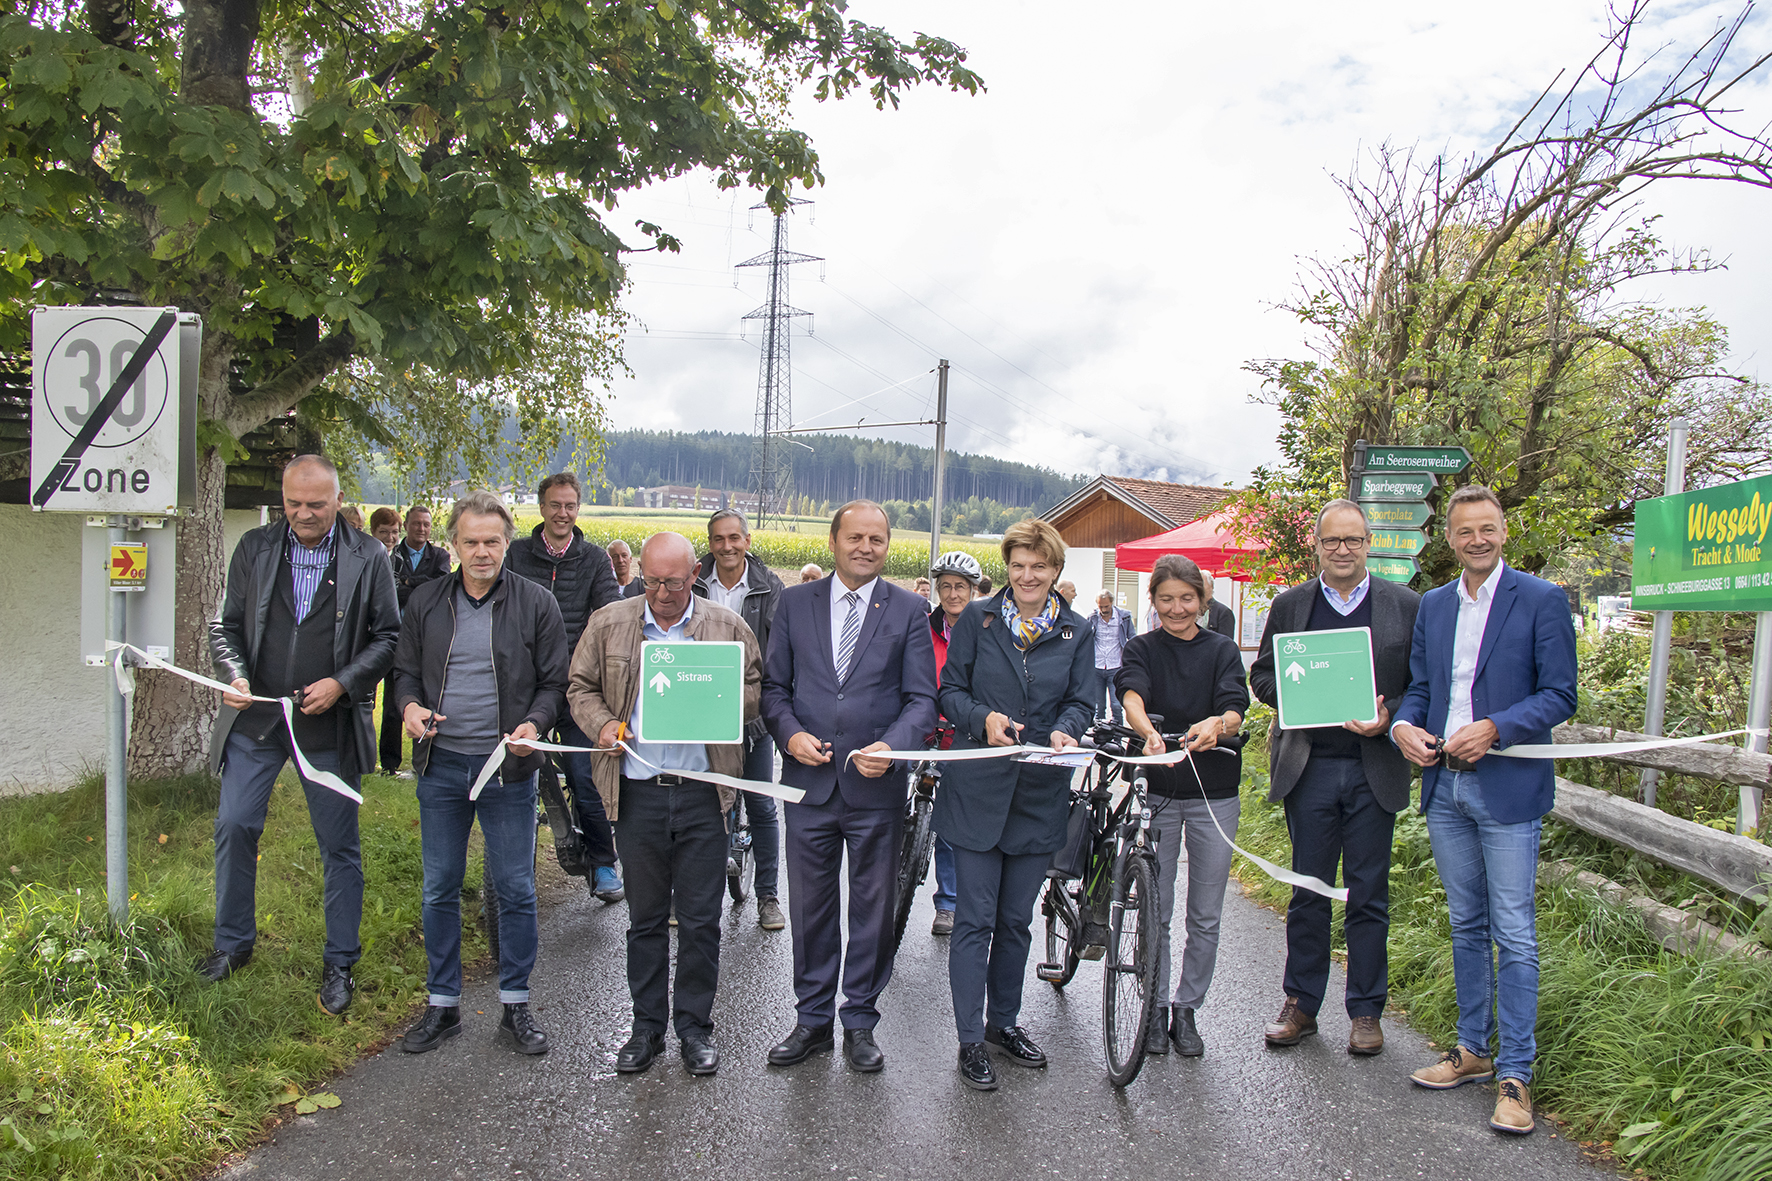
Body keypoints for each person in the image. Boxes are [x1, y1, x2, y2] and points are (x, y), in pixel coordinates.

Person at [1391, 485, 1577, 1136]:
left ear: (1504, 531)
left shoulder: (1543, 599)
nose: (1477, 538)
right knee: (1466, 923)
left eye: (1488, 528)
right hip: (1445, 787)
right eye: (1465, 529)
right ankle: (1472, 1049)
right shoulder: (1436, 606)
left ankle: (1516, 1074)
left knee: (1515, 932)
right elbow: (1421, 688)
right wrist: (1404, 729)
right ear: (1449, 537)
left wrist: (1497, 726)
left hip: (1507, 786)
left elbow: (1560, 694)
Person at [206, 455, 400, 1018]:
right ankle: (232, 944)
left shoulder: (370, 556)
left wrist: (343, 684)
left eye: (315, 504)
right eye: (293, 503)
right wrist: (233, 674)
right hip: (259, 716)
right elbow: (226, 625)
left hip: (328, 723)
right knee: (235, 824)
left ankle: (339, 961)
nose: (303, 514)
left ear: (339, 498)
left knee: (338, 844)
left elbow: (389, 636)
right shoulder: (256, 548)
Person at [568, 533, 764, 1076]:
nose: (660, 593)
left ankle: (695, 1030)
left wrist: (716, 692)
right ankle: (646, 1028)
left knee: (702, 921)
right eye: (651, 581)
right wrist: (603, 724)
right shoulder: (610, 622)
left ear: (694, 573)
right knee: (646, 919)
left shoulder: (726, 628)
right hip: (638, 795)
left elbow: (756, 687)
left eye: (673, 583)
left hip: (704, 795)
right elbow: (579, 687)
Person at [762, 501, 938, 1073]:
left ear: (889, 545)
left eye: (877, 539)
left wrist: (892, 747)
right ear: (833, 541)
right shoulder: (794, 603)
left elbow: (921, 700)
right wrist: (789, 738)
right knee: (811, 908)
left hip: (875, 790)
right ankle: (811, 1020)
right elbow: (774, 690)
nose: (866, 547)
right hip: (809, 786)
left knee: (871, 908)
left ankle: (860, 1019)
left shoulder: (910, 609)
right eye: (855, 537)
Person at [393, 491, 567, 1057]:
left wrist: (534, 724)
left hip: (507, 772)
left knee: (515, 888)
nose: (482, 552)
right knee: (439, 887)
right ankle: (442, 1005)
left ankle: (515, 1004)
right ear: (454, 544)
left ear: (507, 542)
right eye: (471, 542)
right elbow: (402, 673)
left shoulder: (536, 603)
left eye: (493, 541)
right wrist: (410, 707)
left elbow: (554, 683)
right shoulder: (424, 601)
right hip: (441, 767)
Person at [1249, 500, 1421, 1057]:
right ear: (1317, 546)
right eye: (1331, 542)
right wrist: (1298, 701)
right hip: (1311, 767)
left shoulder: (1405, 605)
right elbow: (1262, 677)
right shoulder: (1292, 604)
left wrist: (1389, 715)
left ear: (1369, 543)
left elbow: (1421, 684)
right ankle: (1301, 1004)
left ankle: (1366, 1011)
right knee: (1309, 890)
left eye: (1352, 541)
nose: (1342, 550)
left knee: (1369, 894)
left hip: (1375, 769)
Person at [934, 518, 1093, 1090]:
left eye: (1039, 566)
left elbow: (1082, 701)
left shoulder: (1077, 630)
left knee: (1016, 921)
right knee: (974, 921)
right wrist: (984, 719)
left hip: (1039, 793)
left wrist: (1068, 730)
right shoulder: (977, 619)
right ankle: (970, 1038)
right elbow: (950, 691)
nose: (1027, 576)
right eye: (1018, 566)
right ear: (1008, 568)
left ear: (1055, 571)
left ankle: (1004, 1023)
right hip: (978, 790)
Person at [1117, 553, 1248, 1058]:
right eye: (1166, 598)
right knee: (1156, 905)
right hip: (1162, 787)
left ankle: (1186, 1008)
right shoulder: (1142, 647)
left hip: (1216, 791)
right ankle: (1152, 1005)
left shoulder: (1222, 649)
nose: (1177, 608)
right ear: (1153, 601)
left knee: (1206, 913)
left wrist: (1219, 724)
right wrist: (1147, 732)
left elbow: (1235, 703)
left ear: (1203, 601)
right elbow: (1132, 694)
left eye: (1186, 599)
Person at [505, 472, 626, 903]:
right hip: (525, 686)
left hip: (576, 688)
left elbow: (610, 615)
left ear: (578, 509)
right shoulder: (516, 555)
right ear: (541, 507)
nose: (562, 513)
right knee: (511, 773)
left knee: (584, 776)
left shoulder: (594, 559)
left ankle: (604, 862)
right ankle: (510, 870)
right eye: (555, 505)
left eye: (570, 506)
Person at [694, 508, 788, 930]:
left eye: (735, 538)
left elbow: (780, 655)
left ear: (747, 541)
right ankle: (693, 894)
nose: (727, 546)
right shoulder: (693, 581)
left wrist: (764, 708)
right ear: (710, 542)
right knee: (700, 806)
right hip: (698, 716)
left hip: (753, 718)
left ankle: (768, 896)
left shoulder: (771, 589)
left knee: (761, 803)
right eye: (719, 539)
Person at [926, 550, 987, 937]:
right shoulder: (923, 627)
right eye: (945, 586)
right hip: (925, 725)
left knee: (951, 824)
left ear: (973, 590)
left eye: (960, 587)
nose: (952, 594)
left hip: (965, 731)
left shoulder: (987, 629)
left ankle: (948, 902)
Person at [384, 505, 452, 776]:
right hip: (393, 635)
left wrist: (407, 583)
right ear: (407, 526)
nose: (421, 529)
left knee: (423, 698)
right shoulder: (391, 555)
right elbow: (387, 592)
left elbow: (438, 589)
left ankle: (421, 763)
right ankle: (389, 764)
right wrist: (416, 586)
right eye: (416, 524)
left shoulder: (440, 555)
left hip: (426, 637)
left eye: (426, 524)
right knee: (393, 701)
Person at [1078, 590, 1134, 725]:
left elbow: (1132, 637)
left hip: (1115, 666)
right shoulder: (1092, 617)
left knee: (1116, 705)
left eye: (1106, 606)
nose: (1103, 610)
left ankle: (1117, 739)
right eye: (1100, 606)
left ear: (1112, 604)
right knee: (1099, 706)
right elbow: (1086, 640)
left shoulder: (1124, 617)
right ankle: (1100, 739)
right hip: (1097, 666)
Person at [1202, 570, 1237, 639]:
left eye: (1202, 584)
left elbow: (1226, 644)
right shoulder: (1191, 610)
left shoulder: (1223, 612)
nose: (1198, 588)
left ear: (1211, 586)